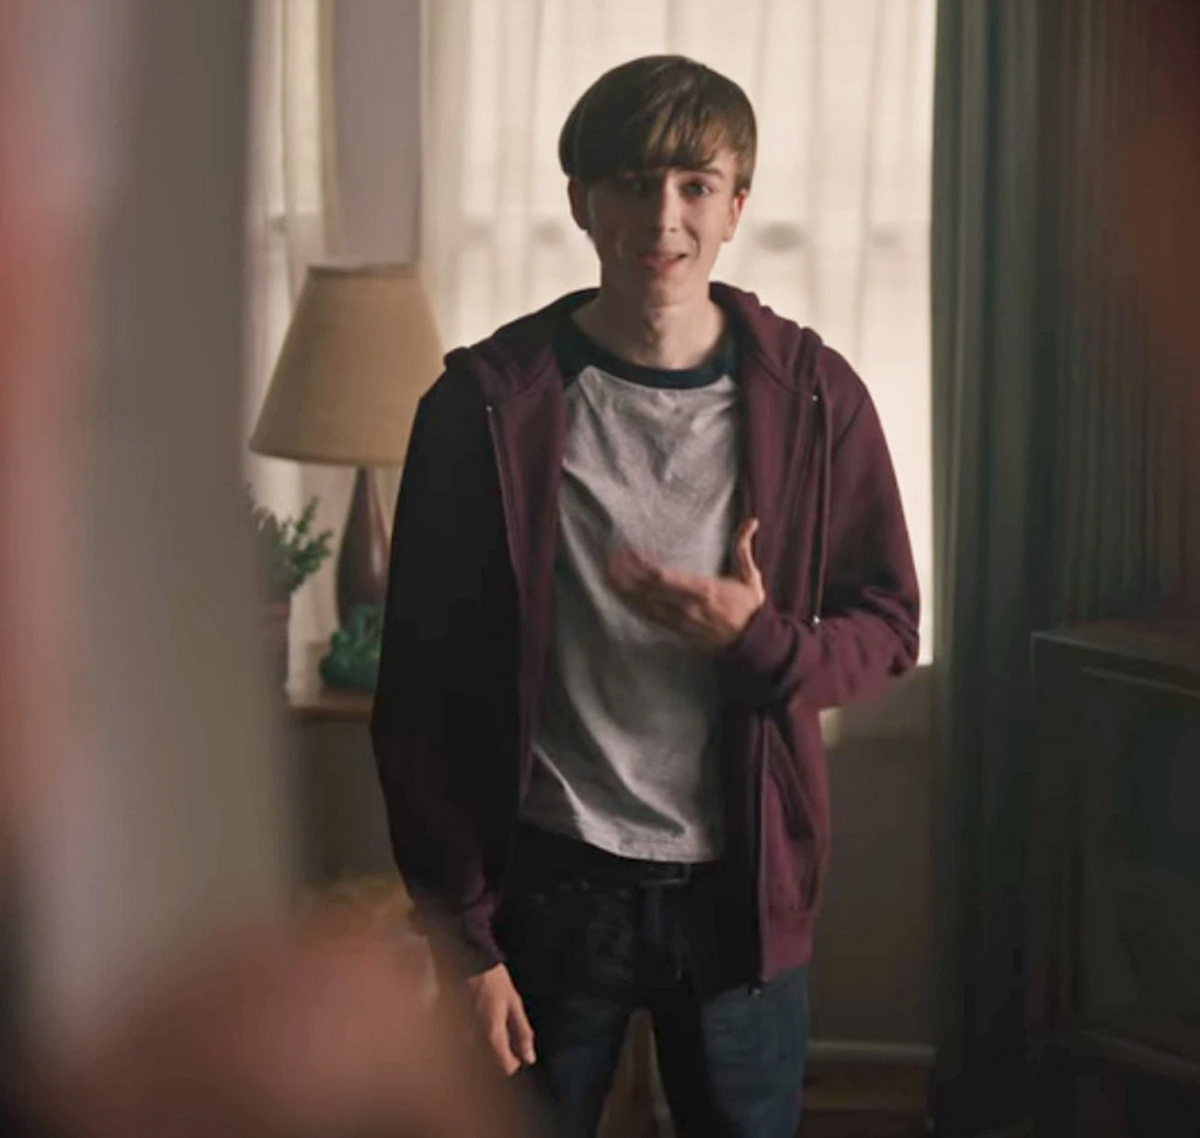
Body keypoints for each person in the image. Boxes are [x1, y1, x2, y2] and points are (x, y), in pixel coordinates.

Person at [372, 54, 920, 1138]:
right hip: (544, 892)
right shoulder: (486, 405)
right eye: (632, 183)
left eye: (694, 185)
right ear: (582, 201)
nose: (663, 215)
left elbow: (889, 626)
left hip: (740, 898)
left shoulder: (816, 397)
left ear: (736, 208)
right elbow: (419, 695)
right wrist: (464, 942)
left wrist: (759, 640)